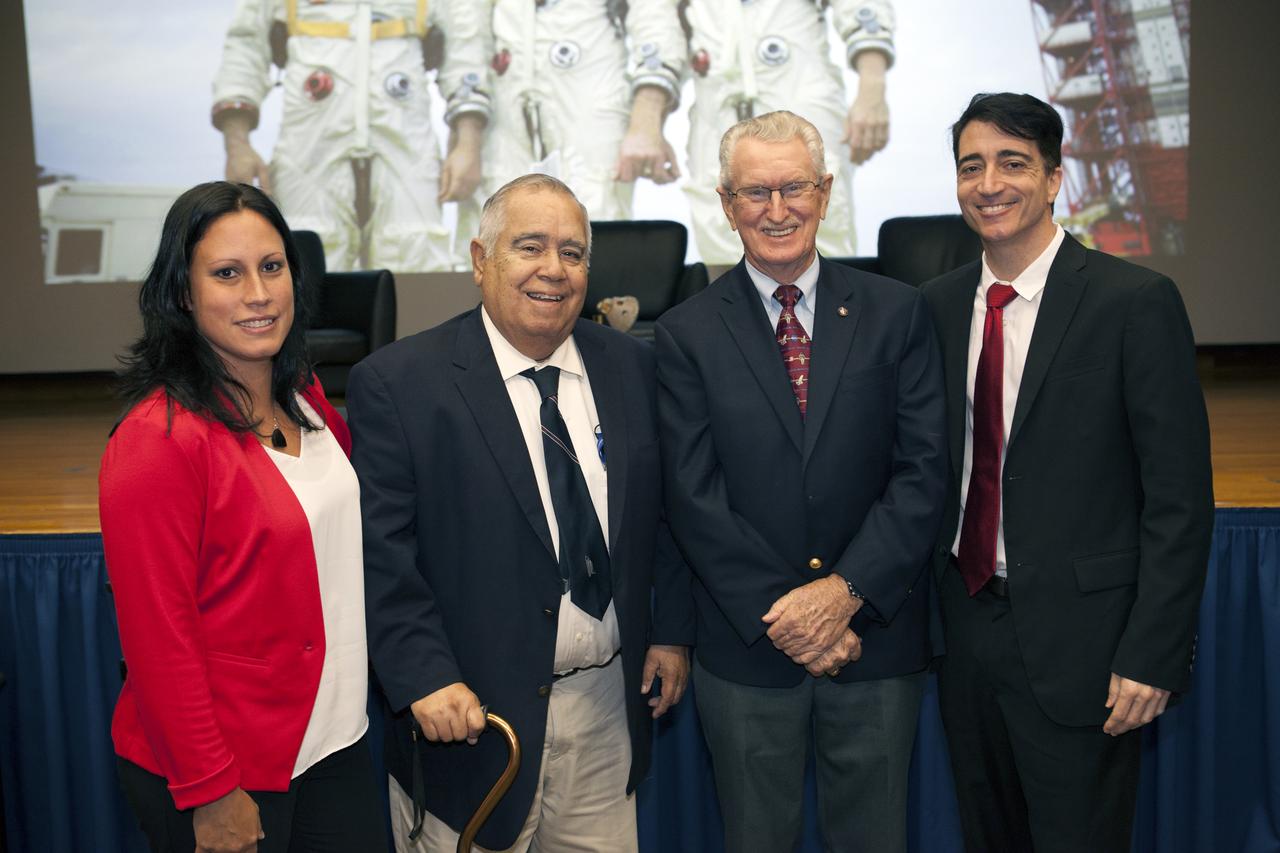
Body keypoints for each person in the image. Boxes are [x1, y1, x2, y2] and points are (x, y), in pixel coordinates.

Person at [348, 173, 694, 852]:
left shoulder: (633, 368)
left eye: (572, 252)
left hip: (605, 712)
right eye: (529, 246)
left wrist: (673, 632)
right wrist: (425, 675)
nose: (553, 270)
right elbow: (381, 555)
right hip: (474, 728)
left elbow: (665, 517)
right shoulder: (400, 384)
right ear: (481, 259)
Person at [920, 92, 1214, 853]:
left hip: (1086, 647)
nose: (990, 183)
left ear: (1055, 179)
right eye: (971, 165)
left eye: (1013, 163)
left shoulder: (1135, 302)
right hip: (965, 632)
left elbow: (1178, 500)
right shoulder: (935, 307)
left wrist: (1152, 652)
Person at [655, 110, 947, 853]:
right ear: (725, 204)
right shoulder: (684, 333)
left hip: (873, 639)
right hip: (749, 650)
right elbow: (692, 495)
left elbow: (923, 472)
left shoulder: (897, 311)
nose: (776, 210)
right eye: (755, 192)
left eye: (794, 188)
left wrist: (845, 593)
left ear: (823, 191)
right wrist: (787, 616)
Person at [98, 181, 386, 852]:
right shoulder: (158, 439)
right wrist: (210, 791)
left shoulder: (308, 400)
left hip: (331, 745)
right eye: (227, 273)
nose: (258, 292)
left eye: (272, 266)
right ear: (183, 294)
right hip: (227, 771)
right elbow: (157, 640)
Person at [212, 0, 492, 271]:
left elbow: (464, 48)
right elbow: (245, 47)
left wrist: (468, 143)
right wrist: (237, 145)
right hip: (310, 145)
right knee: (308, 257)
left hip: (405, 141)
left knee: (415, 250)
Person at [681, 0, 896, 264]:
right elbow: (657, 24)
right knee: (721, 243)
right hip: (715, 111)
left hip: (800, 89)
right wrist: (647, 119)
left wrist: (872, 87)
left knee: (820, 232)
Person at [476, 0, 686, 221]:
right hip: (505, 111)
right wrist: (466, 132)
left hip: (592, 94)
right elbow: (467, 32)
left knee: (594, 220)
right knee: (501, 228)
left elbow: (654, 17)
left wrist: (647, 119)